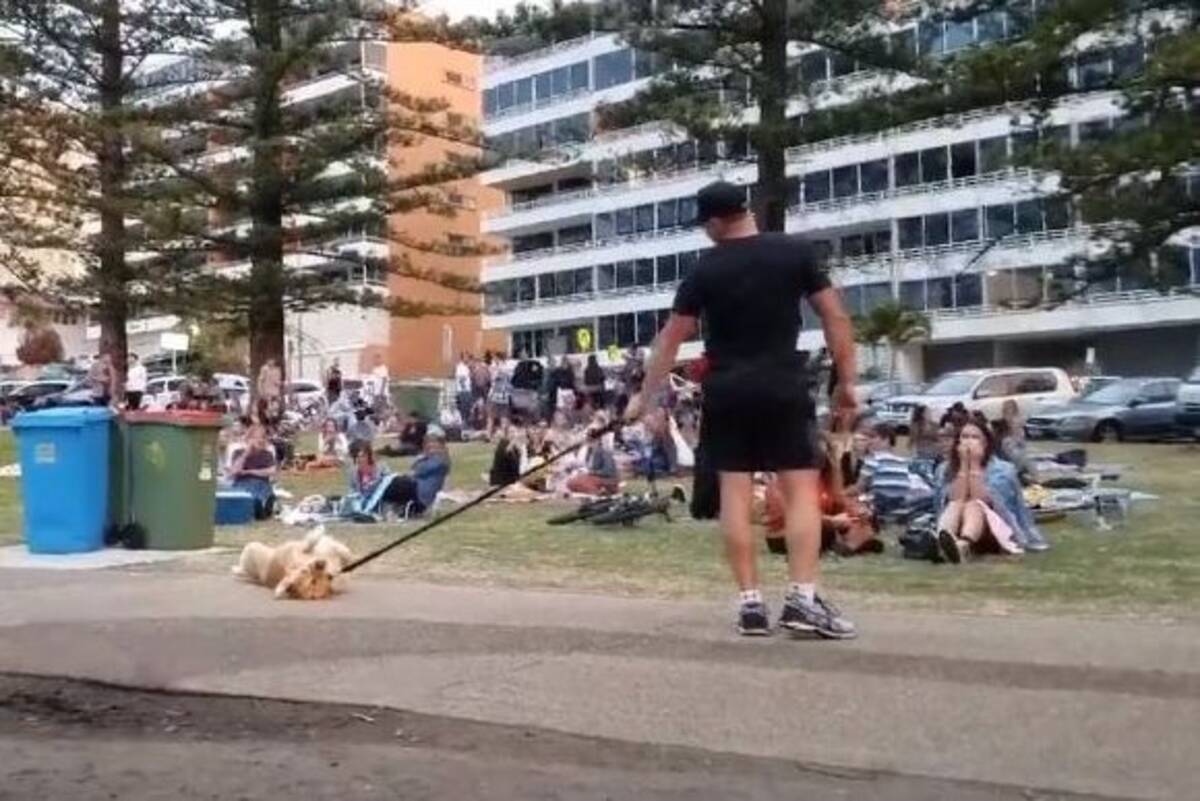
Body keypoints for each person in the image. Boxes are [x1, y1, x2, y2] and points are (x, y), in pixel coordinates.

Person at [627, 180, 859, 639]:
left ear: (715, 221)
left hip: (727, 389)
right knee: (799, 493)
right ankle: (802, 599)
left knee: (734, 494)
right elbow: (835, 315)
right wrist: (848, 381)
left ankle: (751, 606)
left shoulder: (705, 270)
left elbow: (671, 338)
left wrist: (645, 395)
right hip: (782, 384)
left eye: (704, 226)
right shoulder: (795, 253)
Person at [934, 419, 1048, 563]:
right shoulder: (944, 469)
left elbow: (986, 499)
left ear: (986, 443)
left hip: (995, 530)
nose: (969, 442)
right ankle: (948, 544)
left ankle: (962, 545)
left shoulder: (1003, 470)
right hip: (956, 523)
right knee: (957, 503)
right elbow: (952, 498)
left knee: (974, 504)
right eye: (964, 437)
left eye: (975, 437)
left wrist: (974, 463)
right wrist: (963, 465)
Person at [348, 428, 452, 517]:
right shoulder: (429, 458)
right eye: (429, 442)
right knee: (391, 482)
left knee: (392, 481)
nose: (431, 445)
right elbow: (415, 467)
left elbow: (418, 470)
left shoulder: (440, 461)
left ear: (441, 445)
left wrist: (418, 465)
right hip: (414, 492)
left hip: (420, 495)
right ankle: (374, 498)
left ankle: (371, 494)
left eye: (434, 443)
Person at [856, 422, 915, 517]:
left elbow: (859, 487)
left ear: (886, 439)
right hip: (900, 508)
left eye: (873, 437)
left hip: (879, 507)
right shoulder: (902, 460)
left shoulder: (874, 459)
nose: (869, 442)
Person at [228, 423, 277, 519]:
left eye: (262, 437)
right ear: (249, 439)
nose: (260, 440)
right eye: (256, 437)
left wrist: (249, 472)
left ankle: (260, 506)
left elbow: (271, 471)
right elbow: (234, 471)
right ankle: (256, 508)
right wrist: (246, 453)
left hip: (261, 483)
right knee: (246, 493)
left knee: (261, 492)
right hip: (242, 483)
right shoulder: (238, 452)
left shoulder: (267, 453)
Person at [454, 354, 474, 428]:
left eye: (468, 358)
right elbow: (462, 379)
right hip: (464, 391)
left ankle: (465, 423)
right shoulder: (461, 367)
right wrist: (464, 389)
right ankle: (463, 424)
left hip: (466, 390)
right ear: (462, 358)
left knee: (467, 408)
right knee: (464, 409)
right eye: (466, 358)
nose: (468, 359)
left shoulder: (465, 367)